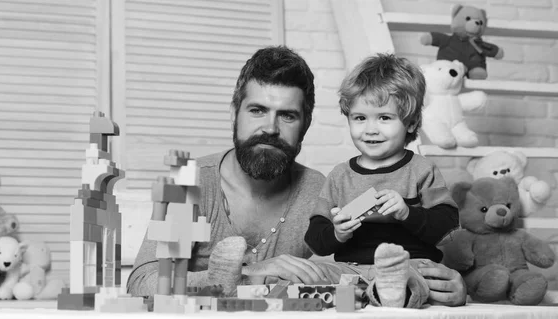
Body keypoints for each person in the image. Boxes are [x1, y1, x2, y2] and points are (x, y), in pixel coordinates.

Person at [127, 45, 329, 297]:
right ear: (234, 114)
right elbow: (142, 284)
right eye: (257, 110)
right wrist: (250, 274)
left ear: (305, 126)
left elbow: (350, 269)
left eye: (287, 116)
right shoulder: (192, 182)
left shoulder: (316, 190)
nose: (270, 128)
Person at [304, 53, 466, 308]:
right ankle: (365, 295)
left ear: (411, 122)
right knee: (308, 275)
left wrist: (407, 213)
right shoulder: (339, 176)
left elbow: (447, 226)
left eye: (384, 117)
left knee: (420, 279)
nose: (370, 129)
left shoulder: (422, 170)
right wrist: (338, 232)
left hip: (411, 265)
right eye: (360, 118)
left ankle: (387, 291)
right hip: (352, 269)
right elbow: (316, 240)